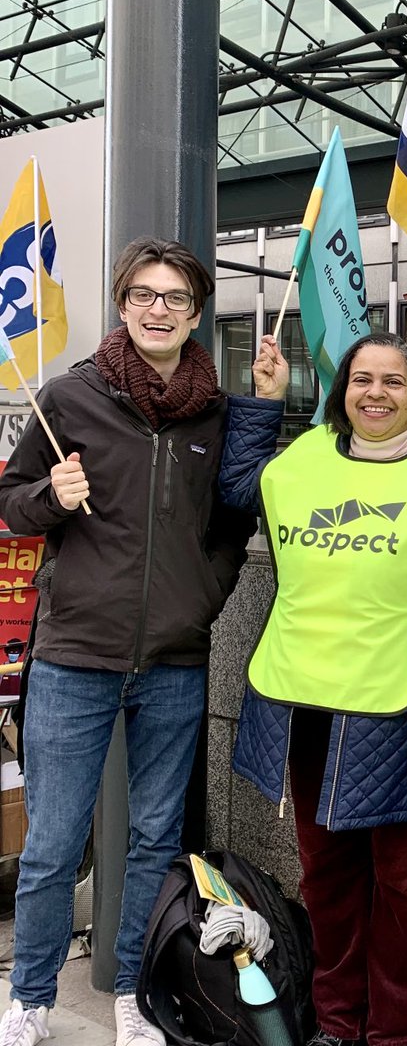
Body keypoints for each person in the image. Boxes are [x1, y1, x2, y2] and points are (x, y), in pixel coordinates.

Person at [0, 237, 256, 1046]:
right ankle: (30, 999)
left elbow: (232, 521)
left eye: (175, 297)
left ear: (196, 312)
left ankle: (135, 998)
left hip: (174, 662)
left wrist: (206, 596)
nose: (157, 309)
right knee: (52, 845)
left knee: (155, 838)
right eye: (143, 294)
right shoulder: (70, 398)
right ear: (122, 305)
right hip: (76, 655)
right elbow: (11, 502)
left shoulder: (214, 413)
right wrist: (50, 492)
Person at [220, 331, 407, 1046]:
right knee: (328, 880)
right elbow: (236, 489)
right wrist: (263, 401)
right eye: (360, 380)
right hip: (309, 707)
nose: (374, 393)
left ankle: (393, 1034)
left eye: (393, 382)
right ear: (340, 391)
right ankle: (338, 1027)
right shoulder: (307, 457)